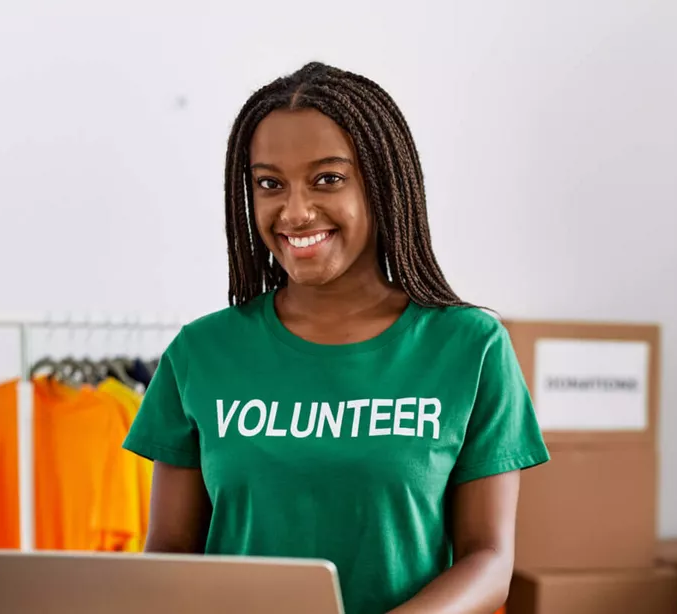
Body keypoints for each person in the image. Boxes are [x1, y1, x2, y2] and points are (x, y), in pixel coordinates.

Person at [121, 61, 550, 614]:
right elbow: (171, 552)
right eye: (270, 184)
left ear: (383, 183)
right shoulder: (200, 353)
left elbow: (489, 558)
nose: (295, 212)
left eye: (328, 179)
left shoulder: (470, 347)